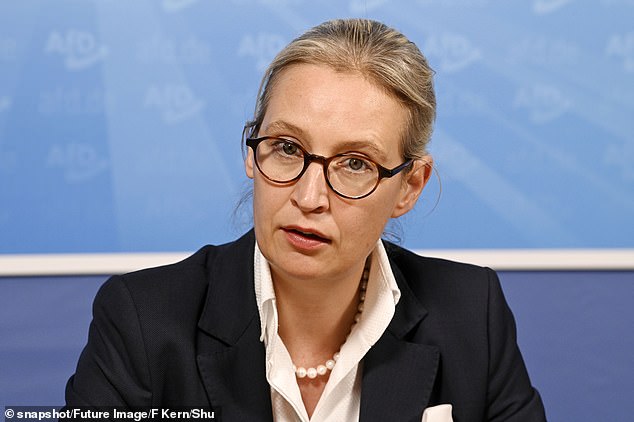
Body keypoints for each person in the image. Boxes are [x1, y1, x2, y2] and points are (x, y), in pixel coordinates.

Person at [65, 19, 546, 421]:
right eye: (288, 148)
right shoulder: (142, 320)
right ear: (252, 155)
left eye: (356, 163)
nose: (309, 196)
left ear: (409, 187)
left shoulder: (471, 314)